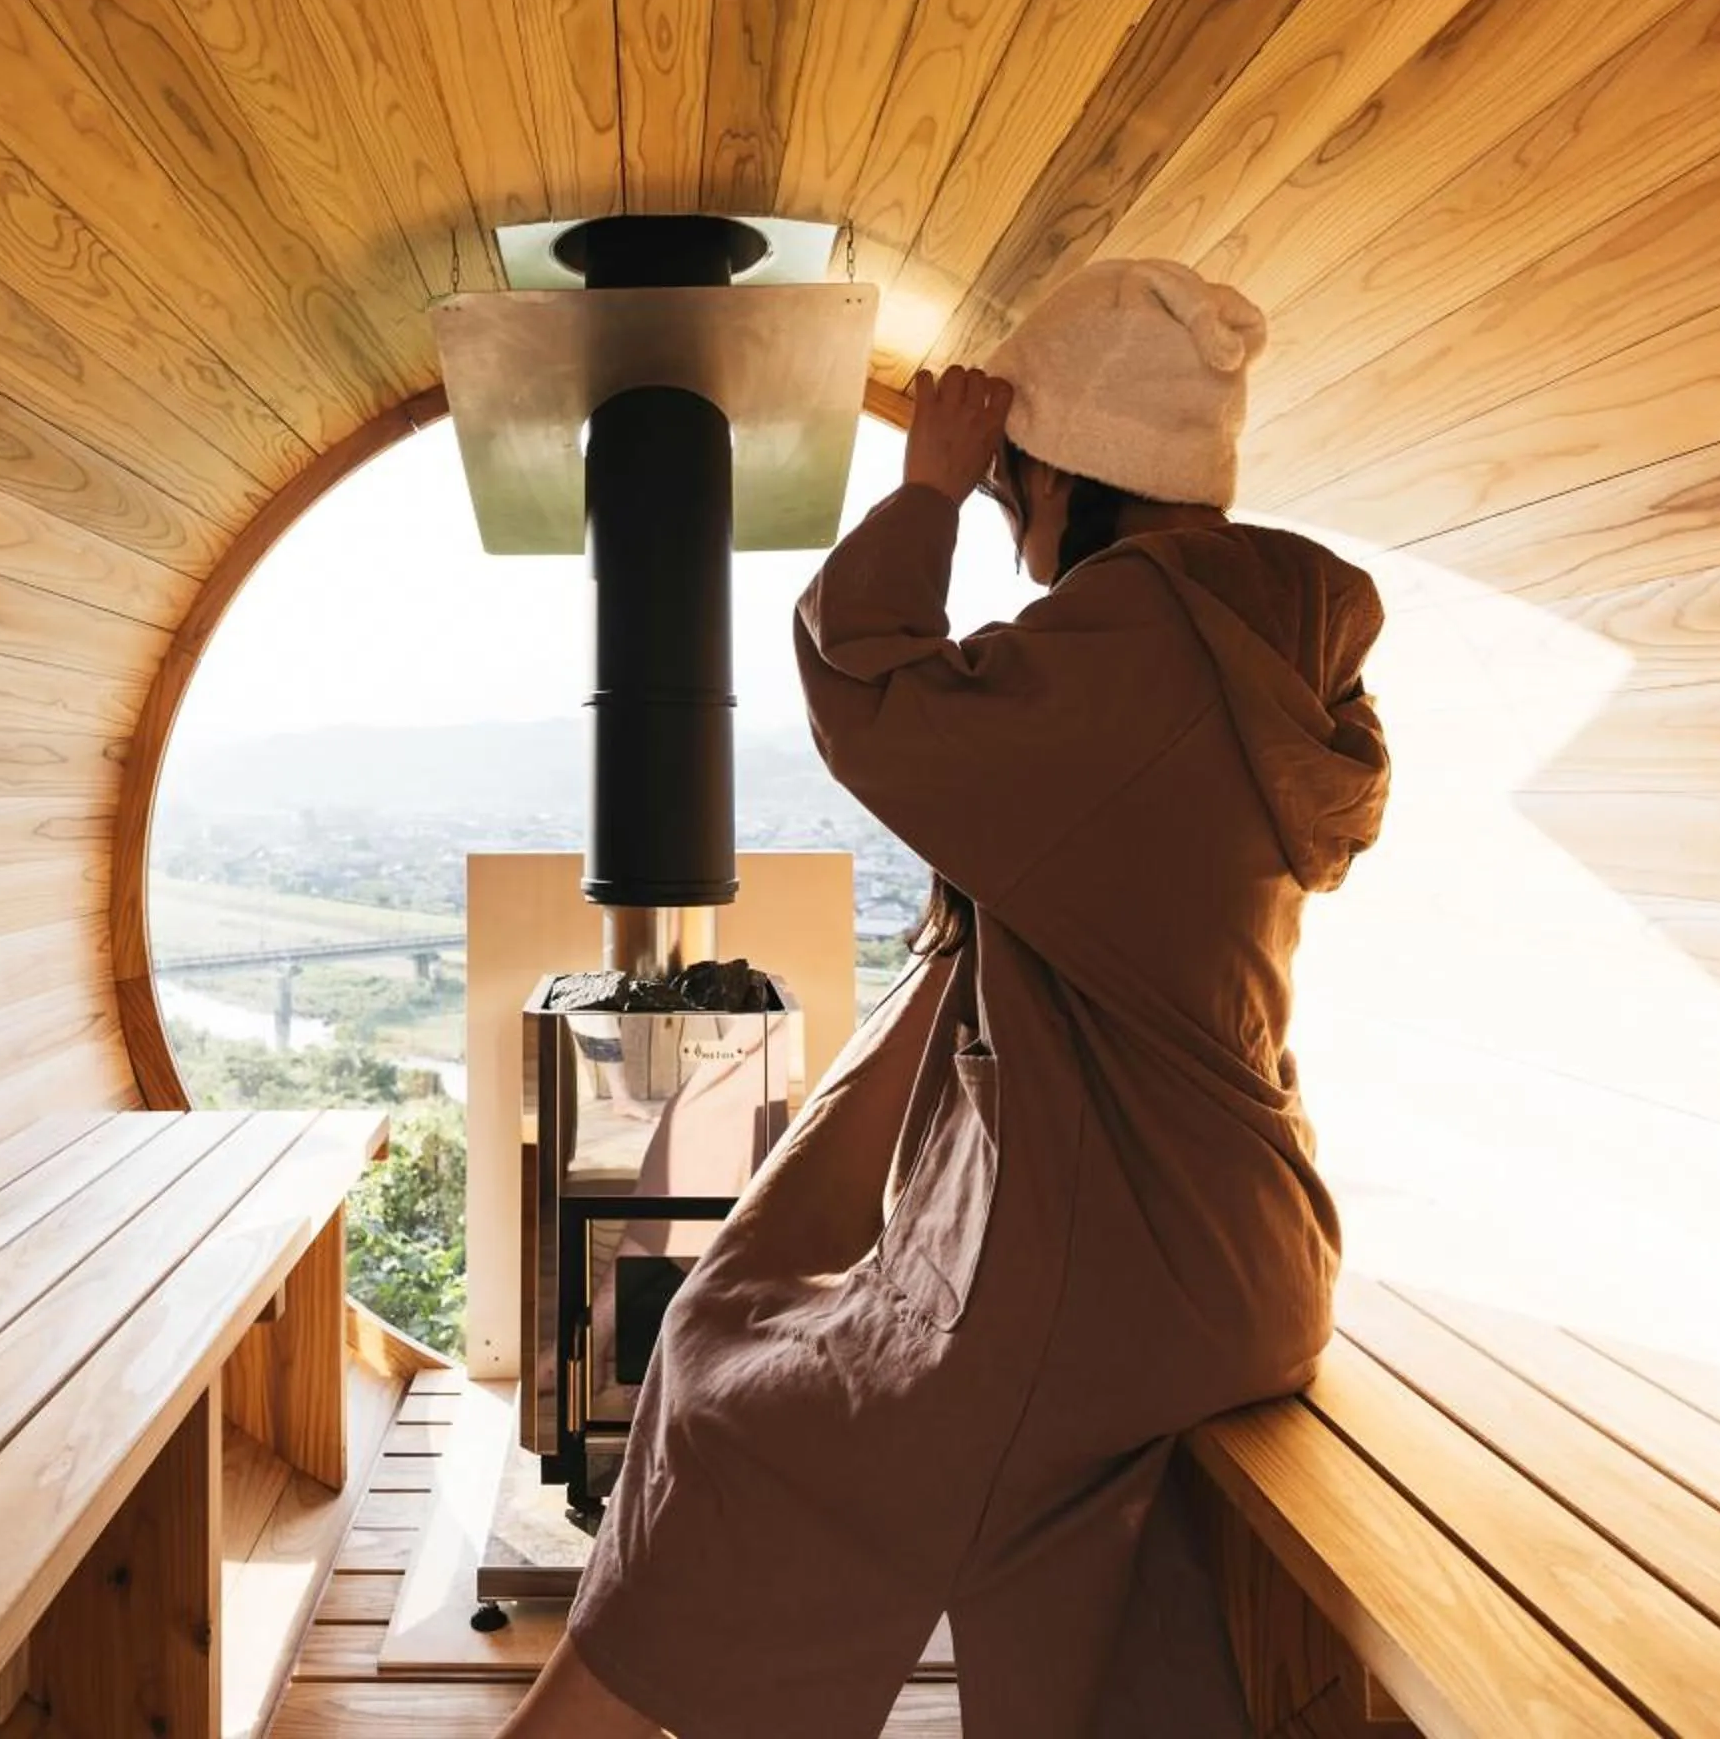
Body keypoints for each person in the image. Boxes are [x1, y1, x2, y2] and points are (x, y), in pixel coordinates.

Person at [500, 259, 1392, 1738]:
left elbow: (874, 693)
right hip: (1241, 1247)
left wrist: (921, 490)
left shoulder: (1142, 644)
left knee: (741, 1392)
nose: (1002, 519)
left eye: (1006, 490)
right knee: (1063, 1546)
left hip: (1113, 1265)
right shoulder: (1270, 650)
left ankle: (571, 1724)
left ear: (1064, 478)